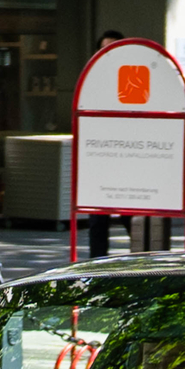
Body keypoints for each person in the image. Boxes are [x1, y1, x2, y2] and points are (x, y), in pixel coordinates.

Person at [80, 30, 127, 258]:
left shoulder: (134, 78)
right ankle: (95, 269)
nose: (107, 53)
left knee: (133, 218)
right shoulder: (92, 82)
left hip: (129, 161)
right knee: (98, 221)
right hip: (101, 161)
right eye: (103, 49)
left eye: (112, 48)